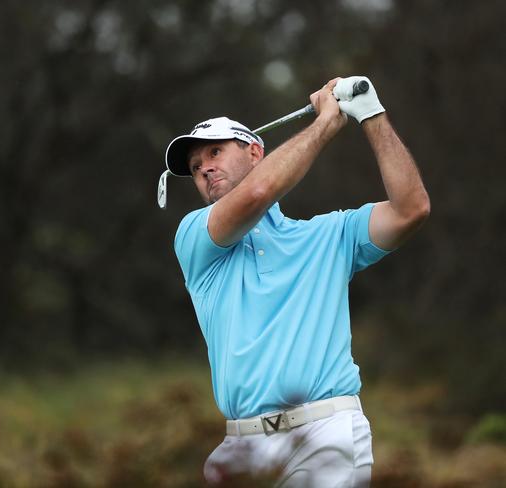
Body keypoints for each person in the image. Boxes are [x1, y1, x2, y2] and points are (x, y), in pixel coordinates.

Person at [164, 76, 430, 487]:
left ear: (255, 151)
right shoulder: (195, 237)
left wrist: (371, 114)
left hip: (326, 434)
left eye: (215, 152)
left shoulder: (330, 235)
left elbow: (410, 209)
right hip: (241, 445)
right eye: (196, 168)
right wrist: (326, 122)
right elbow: (258, 192)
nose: (205, 170)